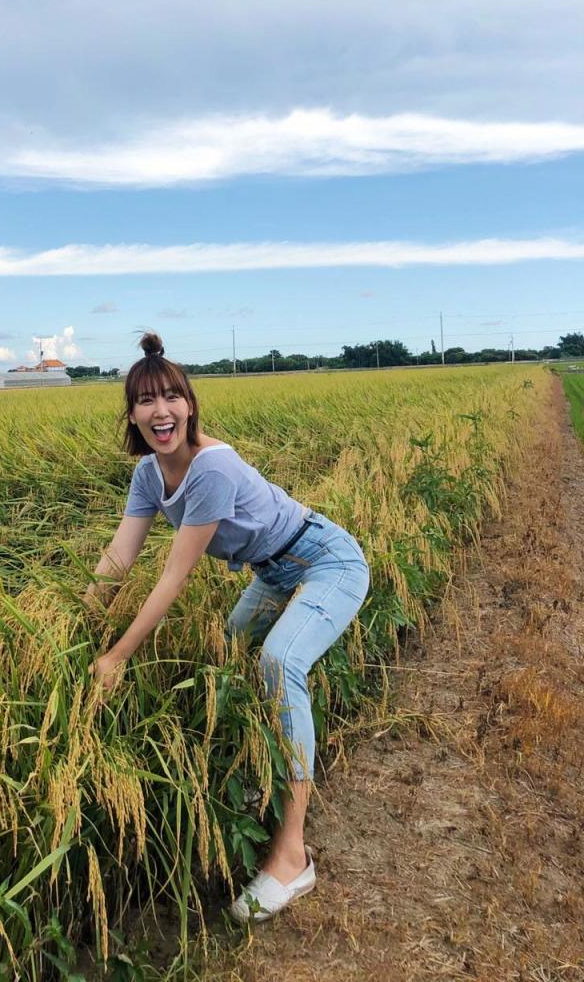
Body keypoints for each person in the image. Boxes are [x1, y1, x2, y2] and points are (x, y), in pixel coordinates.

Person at [84, 332, 370, 923]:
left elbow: (173, 577)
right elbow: (117, 559)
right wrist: (81, 621)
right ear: (132, 415)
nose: (160, 411)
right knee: (228, 660)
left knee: (277, 663)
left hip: (325, 561)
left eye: (171, 398)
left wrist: (115, 657)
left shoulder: (211, 467)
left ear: (189, 405)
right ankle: (250, 772)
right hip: (271, 572)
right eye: (145, 401)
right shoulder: (147, 475)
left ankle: (292, 856)